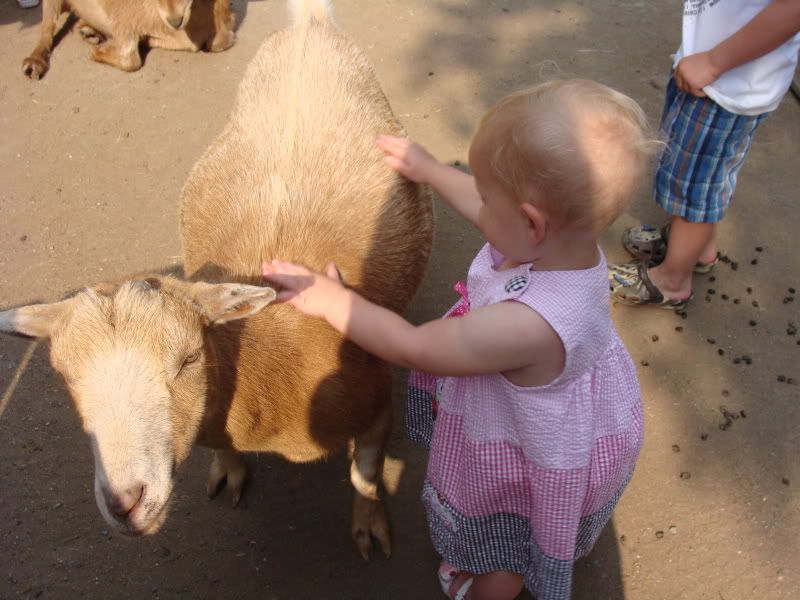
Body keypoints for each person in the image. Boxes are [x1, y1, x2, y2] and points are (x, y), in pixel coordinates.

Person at [263, 79, 653, 600]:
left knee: (506, 542)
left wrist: (333, 301)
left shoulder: (524, 326)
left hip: (524, 450)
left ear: (531, 223)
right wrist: (430, 171)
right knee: (529, 530)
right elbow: (490, 209)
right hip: (579, 412)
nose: (477, 200)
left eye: (487, 195)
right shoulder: (566, 244)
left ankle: (489, 588)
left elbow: (413, 346)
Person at [609, 0, 800, 308]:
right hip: (709, 68)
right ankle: (696, 250)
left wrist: (714, 62)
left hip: (725, 83)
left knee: (693, 188)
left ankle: (672, 280)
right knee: (694, 173)